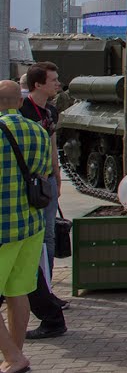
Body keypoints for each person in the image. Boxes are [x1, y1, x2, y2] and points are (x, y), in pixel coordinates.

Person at [0, 79, 52, 372]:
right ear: (20, 103)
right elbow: (45, 172)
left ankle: (14, 356)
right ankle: (13, 358)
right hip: (31, 225)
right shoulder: (39, 131)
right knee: (17, 293)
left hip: (2, 226)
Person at [19, 62, 69, 339]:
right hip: (28, 181)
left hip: (47, 179)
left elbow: (52, 141)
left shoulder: (51, 110)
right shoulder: (22, 109)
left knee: (48, 237)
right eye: (53, 80)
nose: (57, 84)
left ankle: (46, 290)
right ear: (37, 84)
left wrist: (57, 176)